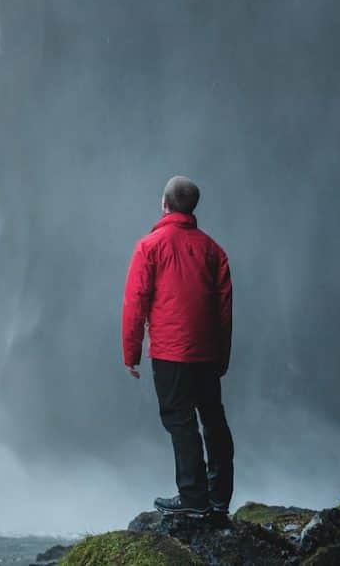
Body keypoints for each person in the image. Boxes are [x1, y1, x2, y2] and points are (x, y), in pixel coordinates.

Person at [121, 176, 234, 518]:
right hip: (207, 352)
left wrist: (131, 354)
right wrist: (222, 357)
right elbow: (225, 310)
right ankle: (219, 497)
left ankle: (192, 497)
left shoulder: (150, 246)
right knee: (213, 419)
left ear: (164, 204)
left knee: (180, 421)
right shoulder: (214, 250)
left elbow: (134, 303)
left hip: (171, 353)